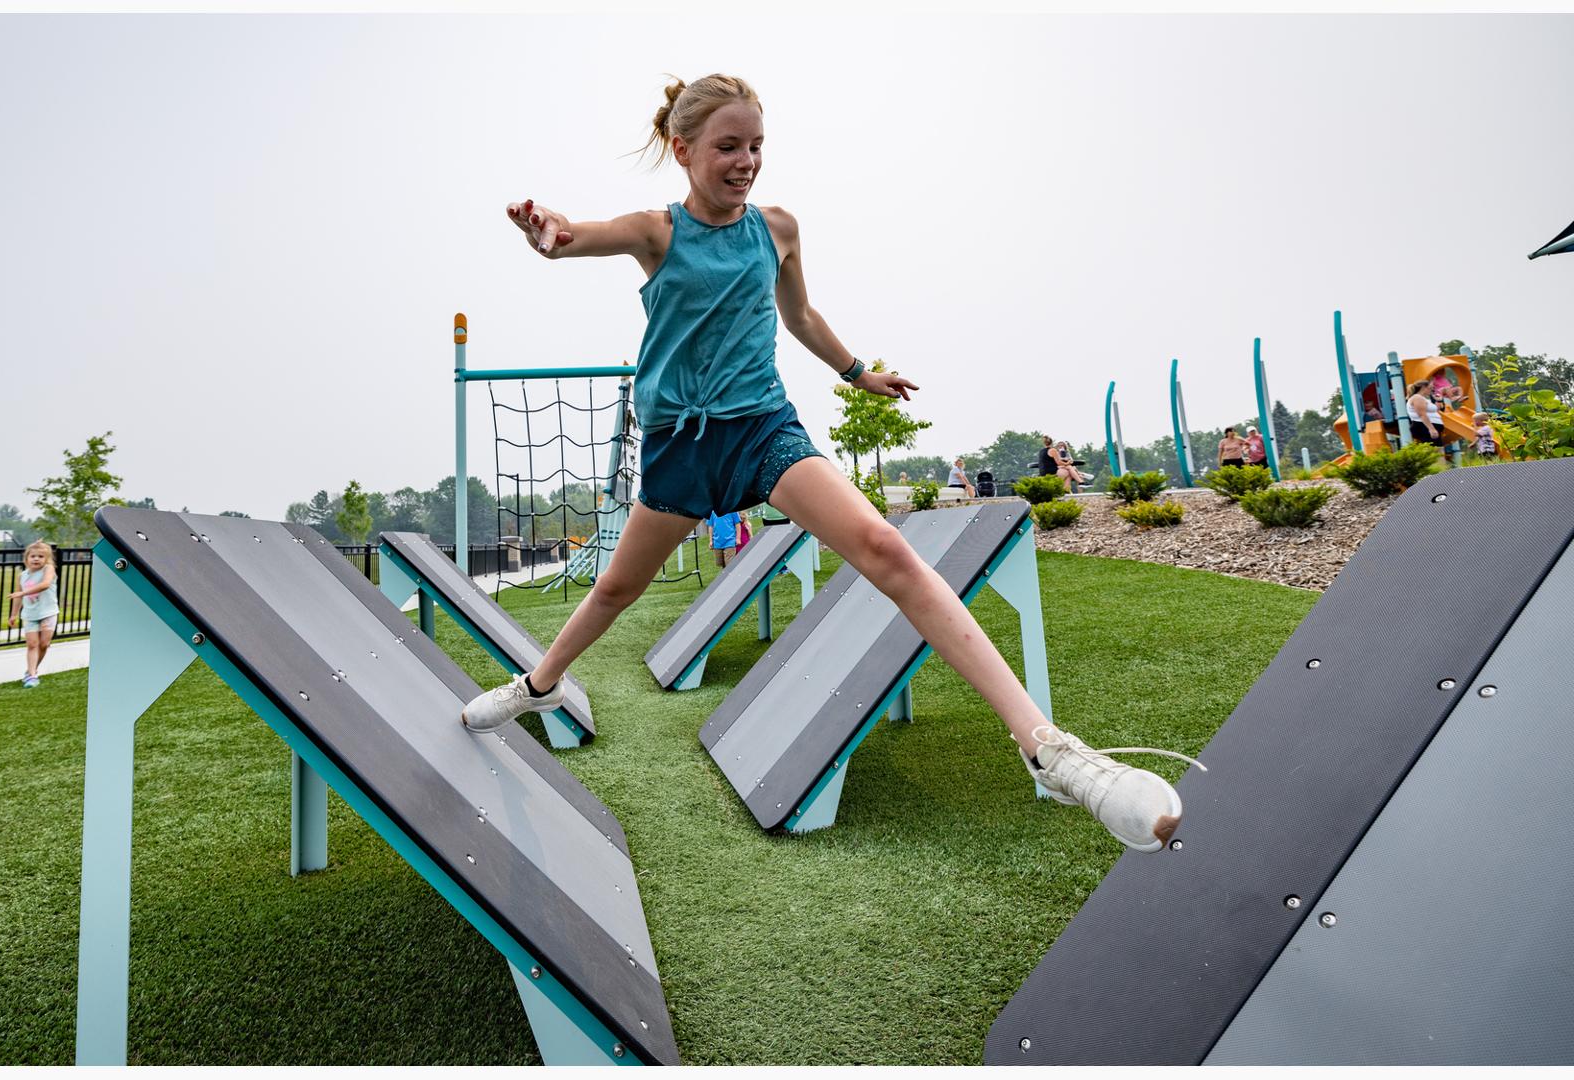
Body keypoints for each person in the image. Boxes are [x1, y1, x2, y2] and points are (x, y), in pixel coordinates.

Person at [457, 74, 1200, 853]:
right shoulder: (657, 232)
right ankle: (538, 687)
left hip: (762, 426)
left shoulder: (775, 228)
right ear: (682, 151)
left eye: (756, 147)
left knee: (886, 549)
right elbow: (574, 237)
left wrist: (856, 374)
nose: (746, 162)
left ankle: (1045, 748)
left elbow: (799, 314)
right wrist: (544, 228)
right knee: (615, 587)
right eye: (727, 147)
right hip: (681, 443)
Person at [8, 540, 60, 687]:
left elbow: (45, 585)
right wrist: (14, 614)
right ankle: (32, 675)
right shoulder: (22, 575)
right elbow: (18, 597)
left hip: (47, 613)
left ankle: (32, 670)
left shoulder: (48, 569)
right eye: (33, 556)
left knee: (44, 644)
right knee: (32, 644)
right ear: (26, 559)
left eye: (40, 556)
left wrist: (23, 592)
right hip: (30, 615)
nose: (36, 559)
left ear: (47, 559)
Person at [1405, 380, 1443, 445]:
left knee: (1437, 449)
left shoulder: (1424, 399)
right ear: (1423, 387)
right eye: (1430, 388)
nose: (1431, 390)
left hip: (1428, 426)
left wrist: (1438, 401)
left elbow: (1436, 410)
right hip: (1423, 426)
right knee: (1434, 450)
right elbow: (1422, 415)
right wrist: (1431, 429)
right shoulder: (1417, 398)